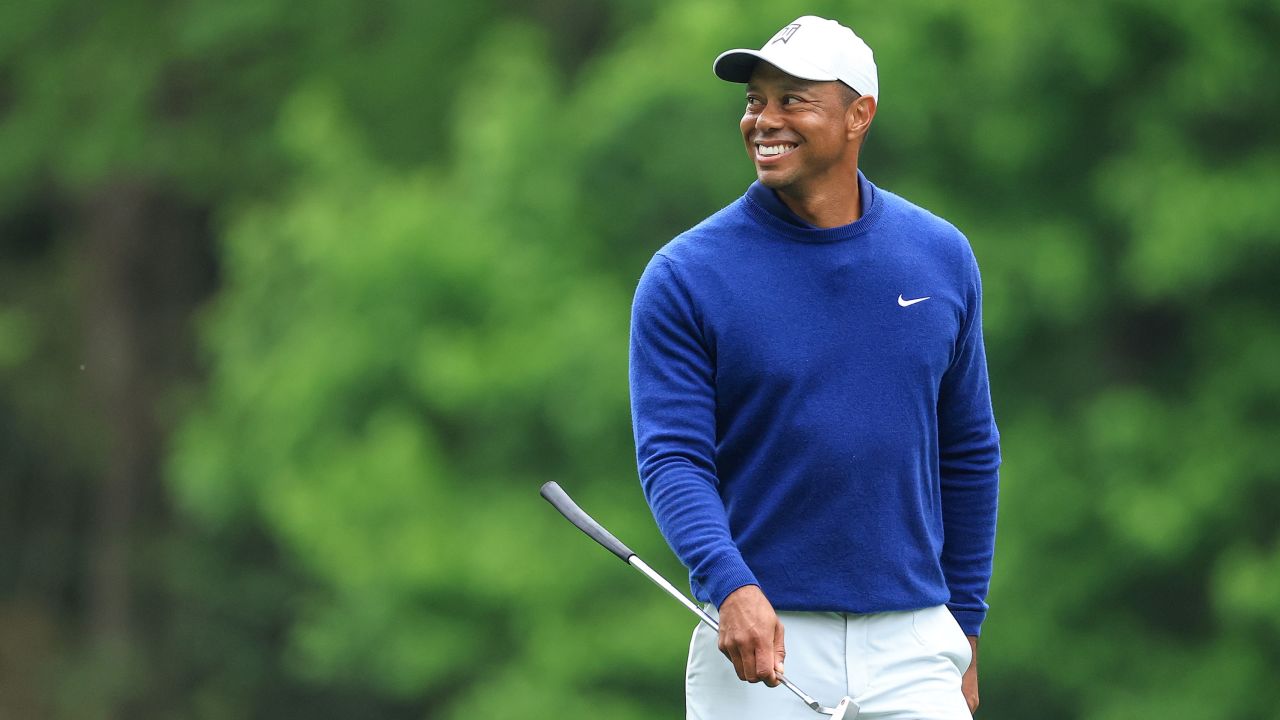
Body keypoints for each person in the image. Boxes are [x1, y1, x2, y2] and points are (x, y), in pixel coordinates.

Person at [628, 15, 1001, 720]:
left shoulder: (941, 257)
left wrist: (967, 634)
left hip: (916, 639)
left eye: (792, 99)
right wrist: (730, 585)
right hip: (759, 637)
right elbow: (673, 458)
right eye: (754, 101)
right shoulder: (685, 275)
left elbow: (970, 451)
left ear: (859, 114)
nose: (764, 119)